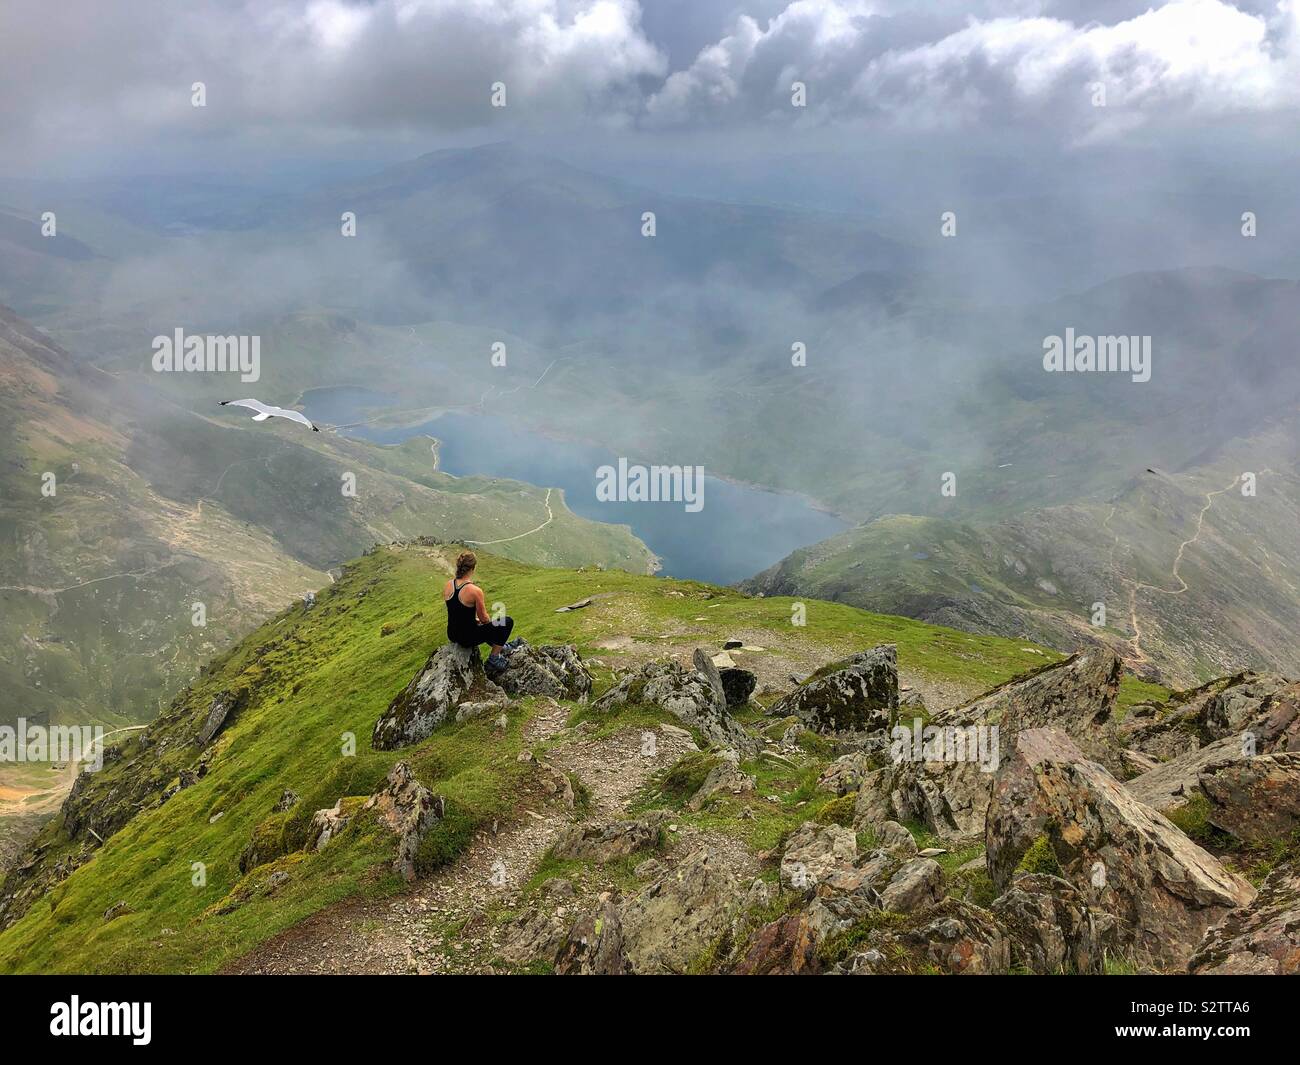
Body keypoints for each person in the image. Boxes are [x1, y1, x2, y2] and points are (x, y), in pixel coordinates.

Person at [444, 550, 516, 670]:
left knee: (481, 626)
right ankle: (494, 658)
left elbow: (456, 611)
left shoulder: (448, 584)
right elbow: (484, 619)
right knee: (507, 622)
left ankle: (502, 647)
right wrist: (492, 628)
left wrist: (474, 621)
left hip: (452, 634)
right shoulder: (475, 591)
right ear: (473, 568)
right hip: (467, 638)